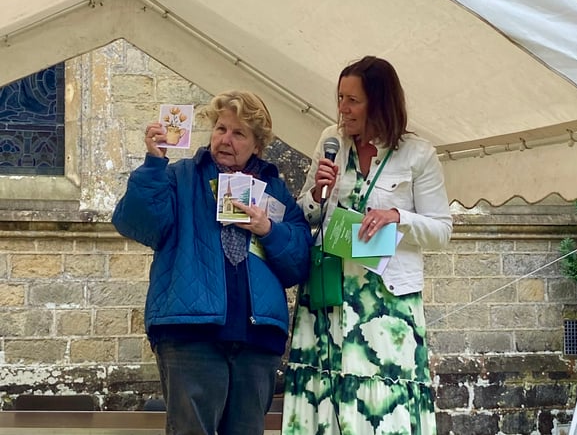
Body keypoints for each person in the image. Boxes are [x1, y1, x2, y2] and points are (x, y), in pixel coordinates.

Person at [111, 90, 312, 435]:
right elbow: (138, 224)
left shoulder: (275, 191)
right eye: (221, 129)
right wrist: (153, 164)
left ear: (257, 144)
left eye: (238, 133)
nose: (225, 140)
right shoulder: (180, 177)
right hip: (190, 334)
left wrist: (268, 229)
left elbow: (298, 265)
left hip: (256, 339)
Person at [282, 56, 452, 435]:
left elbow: (442, 231)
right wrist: (317, 192)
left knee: (383, 406)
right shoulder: (330, 141)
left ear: (380, 101)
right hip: (329, 293)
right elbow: (305, 214)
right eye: (340, 98)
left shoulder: (418, 154)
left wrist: (398, 217)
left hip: (387, 299)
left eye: (352, 100)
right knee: (324, 394)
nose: (342, 109)